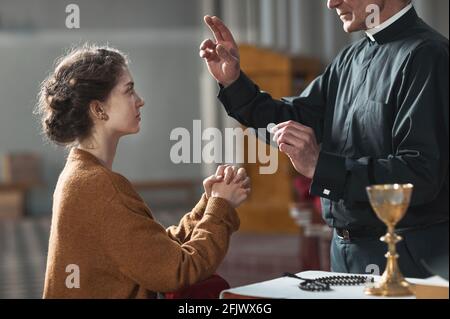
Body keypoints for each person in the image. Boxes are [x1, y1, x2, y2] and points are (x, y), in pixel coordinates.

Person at [199, 0, 449, 278]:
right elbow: (289, 120)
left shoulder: (429, 56)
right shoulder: (348, 59)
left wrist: (321, 166)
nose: (331, 3)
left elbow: (420, 175)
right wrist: (234, 83)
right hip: (343, 252)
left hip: (406, 255)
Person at [37, 44, 251, 298]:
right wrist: (221, 206)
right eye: (128, 91)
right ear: (98, 109)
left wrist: (207, 206)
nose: (140, 100)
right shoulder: (98, 185)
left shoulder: (80, 174)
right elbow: (178, 270)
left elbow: (150, 252)